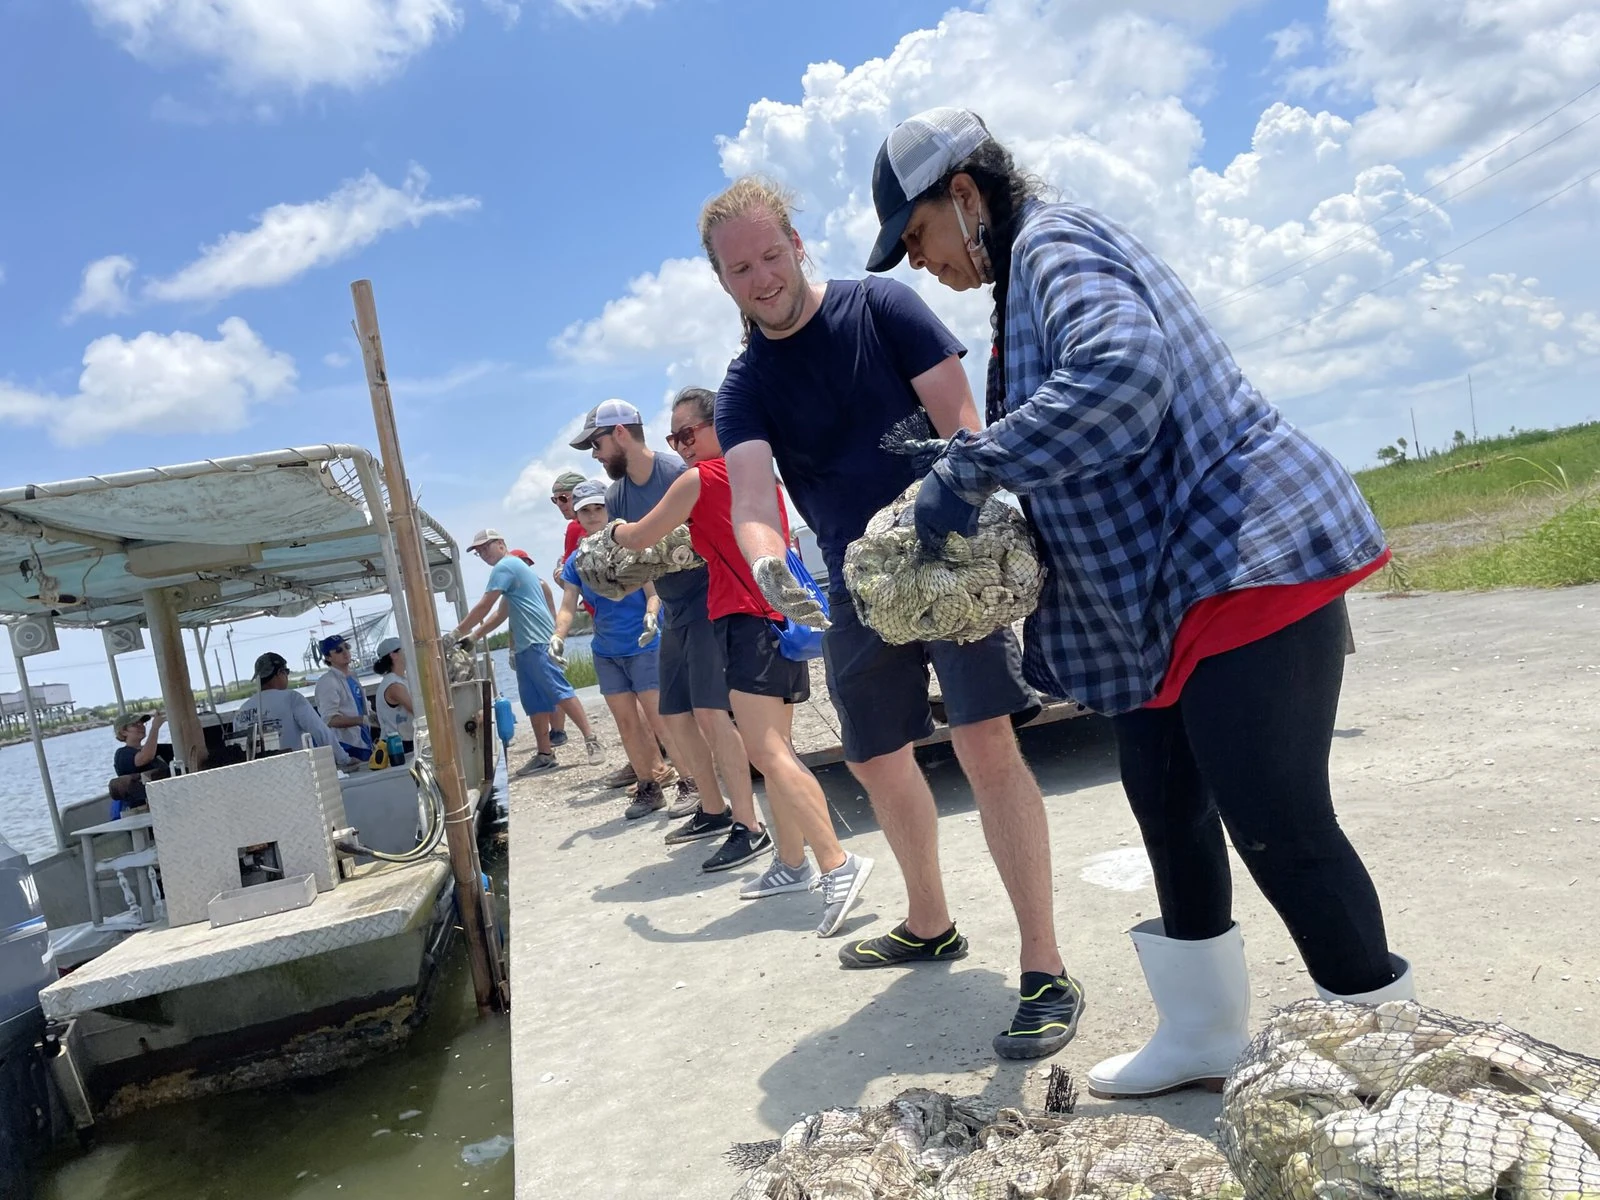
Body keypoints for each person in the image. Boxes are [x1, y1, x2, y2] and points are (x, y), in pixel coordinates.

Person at [865, 107, 1413, 1095]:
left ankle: (1396, 1074)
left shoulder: (1051, 243)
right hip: (1168, 599)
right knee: (1165, 802)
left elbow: (1122, 375)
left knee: (1281, 826)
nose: (922, 264)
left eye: (918, 238)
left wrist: (974, 465)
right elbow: (1082, 437)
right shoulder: (1028, 270)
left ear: (963, 193)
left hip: (1240, 559)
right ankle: (1202, 1031)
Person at [701, 176, 1084, 1059]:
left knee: (988, 743)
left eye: (769, 255)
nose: (760, 279)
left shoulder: (885, 307)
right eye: (738, 270)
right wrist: (769, 560)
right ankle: (930, 919)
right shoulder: (746, 383)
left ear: (797, 244)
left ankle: (1044, 966)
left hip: (944, 552)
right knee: (874, 757)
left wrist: (960, 530)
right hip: (852, 580)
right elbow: (753, 495)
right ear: (722, 281)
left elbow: (962, 426)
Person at [613, 389, 872, 923]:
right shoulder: (758, 478)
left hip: (745, 624)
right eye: (673, 438)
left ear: (716, 428)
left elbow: (639, 538)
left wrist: (609, 529)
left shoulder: (701, 478)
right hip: (778, 619)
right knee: (775, 746)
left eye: (689, 434)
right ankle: (791, 860)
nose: (681, 446)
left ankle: (836, 861)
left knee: (767, 752)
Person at [571, 399, 744, 824]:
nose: (595, 456)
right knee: (674, 715)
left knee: (711, 713)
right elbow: (639, 562)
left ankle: (744, 817)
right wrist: (608, 578)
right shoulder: (616, 494)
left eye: (596, 444)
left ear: (621, 434)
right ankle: (709, 805)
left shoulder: (678, 473)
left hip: (710, 602)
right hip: (672, 610)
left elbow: (714, 536)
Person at [553, 481, 732, 847]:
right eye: (584, 510)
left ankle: (691, 783)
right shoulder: (578, 559)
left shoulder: (633, 544)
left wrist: (653, 616)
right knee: (625, 722)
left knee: (664, 718)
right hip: (606, 650)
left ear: (609, 510)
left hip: (644, 645)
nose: (591, 516)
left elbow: (653, 593)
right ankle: (649, 784)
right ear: (577, 515)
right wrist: (557, 636)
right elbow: (568, 604)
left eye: (597, 509)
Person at [451, 529, 603, 773]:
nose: (482, 554)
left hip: (537, 642)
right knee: (533, 702)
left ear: (501, 543)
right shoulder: (513, 575)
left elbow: (484, 605)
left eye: (485, 547)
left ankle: (591, 739)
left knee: (560, 691)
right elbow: (500, 614)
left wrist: (455, 634)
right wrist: (473, 637)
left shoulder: (505, 566)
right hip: (524, 647)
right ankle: (545, 753)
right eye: (478, 552)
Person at [235, 652, 348, 765]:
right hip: (296, 771)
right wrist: (343, 759)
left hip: (258, 775)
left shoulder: (240, 712)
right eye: (287, 672)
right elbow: (320, 732)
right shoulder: (291, 698)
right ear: (280, 672)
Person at [312, 635, 375, 765]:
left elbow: (362, 707)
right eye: (338, 650)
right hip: (346, 746)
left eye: (347, 647)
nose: (345, 652)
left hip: (364, 742)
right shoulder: (327, 682)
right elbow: (329, 719)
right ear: (328, 658)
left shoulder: (352, 677)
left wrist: (373, 717)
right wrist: (362, 720)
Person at [110, 711, 170, 814]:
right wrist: (155, 728)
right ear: (123, 732)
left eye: (142, 723)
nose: (141, 726)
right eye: (135, 725)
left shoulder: (155, 748)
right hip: (142, 810)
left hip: (164, 803)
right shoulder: (122, 754)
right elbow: (145, 757)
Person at [371, 636, 414, 756]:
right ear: (393, 655)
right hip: (399, 745)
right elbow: (417, 710)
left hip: (403, 741)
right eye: (404, 649)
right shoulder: (394, 685)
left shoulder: (400, 680)